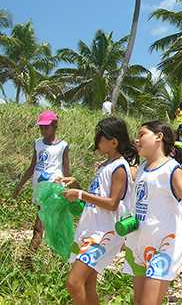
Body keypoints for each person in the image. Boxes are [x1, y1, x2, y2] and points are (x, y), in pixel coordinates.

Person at [123, 120, 182, 305]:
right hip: (139, 244)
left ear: (158, 137)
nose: (138, 140)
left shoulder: (172, 168)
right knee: (137, 301)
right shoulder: (143, 167)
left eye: (141, 135)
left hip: (162, 247)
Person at [56, 117, 139, 304]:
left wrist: (80, 194)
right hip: (93, 229)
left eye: (99, 140)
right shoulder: (105, 165)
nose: (97, 144)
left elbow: (112, 203)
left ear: (114, 142)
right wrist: (76, 186)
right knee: (87, 284)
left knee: (73, 282)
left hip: (103, 233)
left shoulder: (119, 167)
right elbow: (97, 196)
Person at [13, 111, 71, 264]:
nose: (44, 131)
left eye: (47, 128)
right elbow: (32, 167)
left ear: (55, 126)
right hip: (40, 191)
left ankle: (27, 260)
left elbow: (67, 170)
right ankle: (58, 258)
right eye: (42, 128)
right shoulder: (38, 143)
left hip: (54, 190)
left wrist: (72, 188)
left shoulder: (62, 146)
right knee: (50, 224)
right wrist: (20, 185)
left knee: (39, 225)